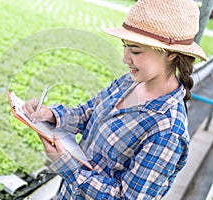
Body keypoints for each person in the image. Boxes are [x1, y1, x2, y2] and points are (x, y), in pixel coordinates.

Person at [22, 0, 207, 199]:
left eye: (135, 51)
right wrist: (50, 115)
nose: (125, 58)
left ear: (170, 54)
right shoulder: (129, 82)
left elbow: (125, 197)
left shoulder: (167, 130)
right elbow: (88, 113)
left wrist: (68, 167)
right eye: (125, 47)